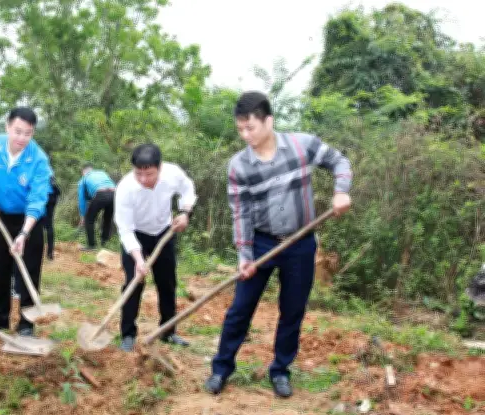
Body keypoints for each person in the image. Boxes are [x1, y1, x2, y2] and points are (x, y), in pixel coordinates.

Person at [206, 91, 352, 398]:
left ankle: (281, 370)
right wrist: (244, 255)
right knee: (240, 309)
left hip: (300, 243)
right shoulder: (239, 166)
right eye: (240, 129)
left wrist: (341, 191)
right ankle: (221, 369)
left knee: (292, 310)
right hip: (261, 243)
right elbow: (241, 213)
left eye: (251, 128)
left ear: (268, 121)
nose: (246, 135)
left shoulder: (302, 145)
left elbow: (340, 161)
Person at [0, 107, 52, 336]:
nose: (22, 138)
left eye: (28, 133)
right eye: (18, 131)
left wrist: (24, 234)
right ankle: (0, 317)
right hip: (1, 216)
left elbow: (37, 200)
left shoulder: (39, 160)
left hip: (30, 221)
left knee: (28, 271)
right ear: (7, 127)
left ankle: (26, 323)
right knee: (1, 268)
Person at [113, 143, 196, 352]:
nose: (143, 179)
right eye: (138, 173)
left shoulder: (173, 174)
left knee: (167, 282)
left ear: (159, 167)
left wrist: (185, 213)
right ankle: (128, 334)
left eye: (149, 174)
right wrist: (139, 259)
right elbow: (125, 229)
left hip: (163, 232)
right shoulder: (125, 188)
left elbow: (188, 190)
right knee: (134, 282)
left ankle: (168, 331)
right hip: (136, 235)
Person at [77, 163, 116, 250]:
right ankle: (104, 243)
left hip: (100, 193)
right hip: (114, 193)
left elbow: (81, 200)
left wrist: (83, 216)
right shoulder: (102, 173)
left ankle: (91, 245)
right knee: (107, 219)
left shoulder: (83, 179)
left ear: (84, 172)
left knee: (89, 220)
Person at [44, 174, 61, 260]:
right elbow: (58, 191)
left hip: (41, 198)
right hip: (51, 200)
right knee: (49, 226)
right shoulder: (49, 172)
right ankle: (50, 253)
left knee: (36, 226)